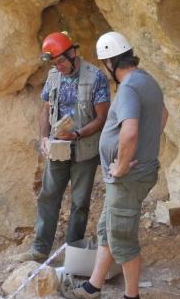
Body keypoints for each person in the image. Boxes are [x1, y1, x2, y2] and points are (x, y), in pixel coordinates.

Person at [62, 32, 168, 299]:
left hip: (127, 177)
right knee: (107, 228)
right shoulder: (148, 81)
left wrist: (121, 165)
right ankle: (93, 287)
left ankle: (131, 297)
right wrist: (143, 147)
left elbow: (129, 132)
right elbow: (162, 116)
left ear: (110, 62)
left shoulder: (130, 87)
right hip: (133, 173)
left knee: (121, 235)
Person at [14, 31, 110, 262]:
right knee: (48, 195)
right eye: (55, 63)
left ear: (73, 53)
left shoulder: (95, 77)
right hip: (58, 148)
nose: (59, 66)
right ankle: (40, 249)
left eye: (61, 61)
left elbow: (101, 118)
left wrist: (76, 134)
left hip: (85, 149)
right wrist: (45, 138)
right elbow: (46, 109)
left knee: (79, 202)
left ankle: (72, 254)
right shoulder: (54, 75)